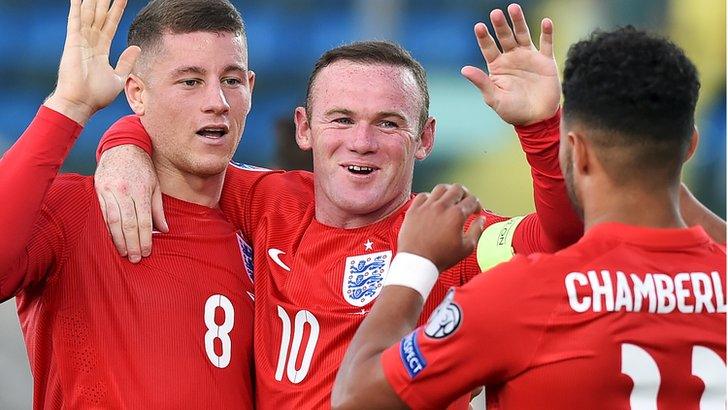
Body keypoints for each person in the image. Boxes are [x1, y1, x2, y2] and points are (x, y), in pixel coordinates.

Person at [95, 4, 585, 408]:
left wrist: (542, 129)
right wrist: (123, 145)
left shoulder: (444, 232)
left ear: (425, 138)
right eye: (342, 119)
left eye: (389, 123)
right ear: (305, 129)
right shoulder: (265, 200)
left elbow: (560, 238)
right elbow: (182, 142)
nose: (362, 142)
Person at [331, 26, 726, 410]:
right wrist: (655, 163)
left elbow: (357, 398)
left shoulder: (518, 296)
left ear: (577, 151)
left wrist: (415, 263)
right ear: (690, 144)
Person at [0, 0, 255, 407]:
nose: (217, 101)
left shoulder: (270, 219)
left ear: (251, 88)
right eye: (190, 81)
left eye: (231, 80)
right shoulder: (73, 209)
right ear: (137, 94)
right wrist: (69, 105)